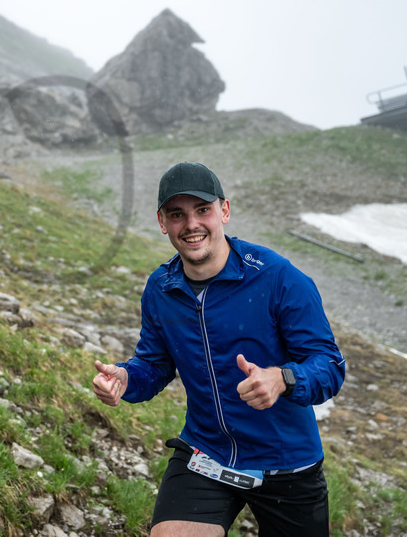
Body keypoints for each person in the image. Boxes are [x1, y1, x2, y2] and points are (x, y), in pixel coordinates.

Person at [93, 161, 345, 536]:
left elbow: (329, 366)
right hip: (205, 454)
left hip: (287, 463)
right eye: (177, 214)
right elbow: (156, 364)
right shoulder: (161, 288)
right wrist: (126, 378)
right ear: (162, 222)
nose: (191, 224)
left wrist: (280, 378)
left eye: (203, 210)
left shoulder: (279, 278)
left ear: (224, 211)